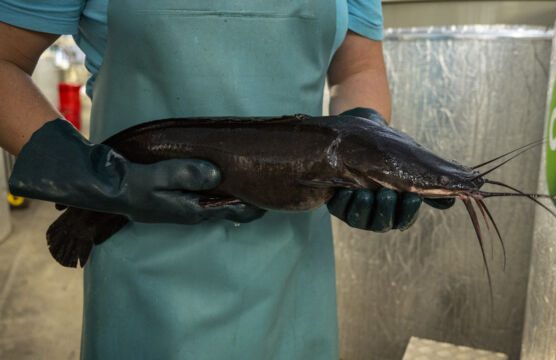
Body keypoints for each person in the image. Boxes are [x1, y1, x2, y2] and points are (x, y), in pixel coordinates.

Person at [0, 0, 453, 358]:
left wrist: (366, 133)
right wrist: (79, 167)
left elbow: (358, 69)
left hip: (293, 268)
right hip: (145, 269)